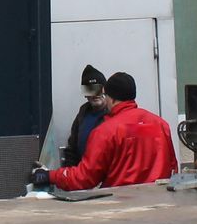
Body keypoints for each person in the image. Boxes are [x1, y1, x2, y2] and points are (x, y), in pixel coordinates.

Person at [31, 71, 176, 192]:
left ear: (110, 98)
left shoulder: (106, 131)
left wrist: (49, 176)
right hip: (159, 202)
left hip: (120, 206)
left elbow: (84, 178)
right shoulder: (160, 125)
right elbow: (172, 167)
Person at [60, 65, 111, 169]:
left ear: (105, 90)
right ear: (85, 94)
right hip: (84, 176)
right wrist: (68, 172)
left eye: (98, 89)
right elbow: (72, 149)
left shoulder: (114, 114)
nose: (95, 94)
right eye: (90, 90)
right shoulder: (82, 115)